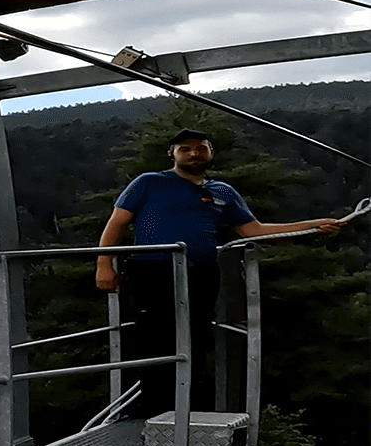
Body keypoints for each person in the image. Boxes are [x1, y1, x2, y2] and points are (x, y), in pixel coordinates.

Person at [96, 128, 340, 417]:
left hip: (203, 274)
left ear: (211, 153)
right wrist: (104, 264)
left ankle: (185, 414)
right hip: (152, 271)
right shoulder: (149, 183)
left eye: (201, 148)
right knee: (155, 340)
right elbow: (117, 224)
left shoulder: (223, 192)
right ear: (171, 153)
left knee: (196, 341)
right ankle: (149, 416)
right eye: (185, 148)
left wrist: (312, 226)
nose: (194, 153)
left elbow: (255, 231)